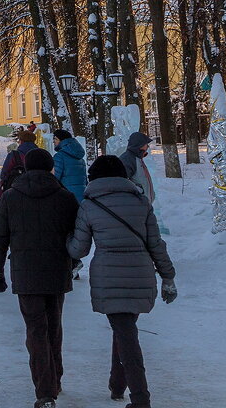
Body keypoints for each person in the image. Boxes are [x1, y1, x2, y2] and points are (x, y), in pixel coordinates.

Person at [67, 155, 176, 408]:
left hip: (109, 276)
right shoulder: (141, 202)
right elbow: (155, 244)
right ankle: (117, 385)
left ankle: (140, 399)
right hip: (141, 273)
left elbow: (78, 250)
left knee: (126, 333)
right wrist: (168, 276)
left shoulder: (89, 205)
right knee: (124, 329)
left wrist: (64, 240)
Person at [0, 148, 80, 408]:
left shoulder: (11, 197)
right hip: (56, 271)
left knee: (36, 330)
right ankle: (55, 380)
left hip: (26, 274)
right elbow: (78, 234)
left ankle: (45, 391)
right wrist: (73, 261)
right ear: (51, 168)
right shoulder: (65, 197)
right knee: (54, 326)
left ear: (26, 168)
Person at [119, 132, 156, 204]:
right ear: (139, 145)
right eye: (146, 144)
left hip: (142, 204)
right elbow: (121, 181)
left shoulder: (137, 157)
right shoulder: (128, 159)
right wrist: (139, 191)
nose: (147, 146)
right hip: (136, 204)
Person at [52, 128, 87, 203]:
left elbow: (54, 178)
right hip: (82, 195)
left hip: (66, 196)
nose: (53, 142)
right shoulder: (80, 157)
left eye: (55, 139)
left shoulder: (59, 156)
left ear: (62, 141)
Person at [0, 129, 40, 194]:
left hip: (17, 192)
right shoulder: (41, 154)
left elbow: (4, 174)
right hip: (38, 191)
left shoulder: (14, 155)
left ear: (21, 141)